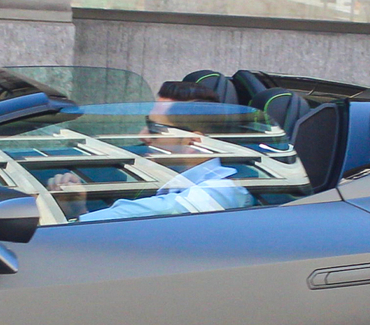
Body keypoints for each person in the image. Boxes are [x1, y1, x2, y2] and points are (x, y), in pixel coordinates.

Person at [47, 80, 257, 222]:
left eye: (155, 129)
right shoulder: (173, 182)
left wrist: (66, 220)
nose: (142, 135)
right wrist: (77, 211)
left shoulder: (223, 192)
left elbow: (156, 212)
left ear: (195, 142)